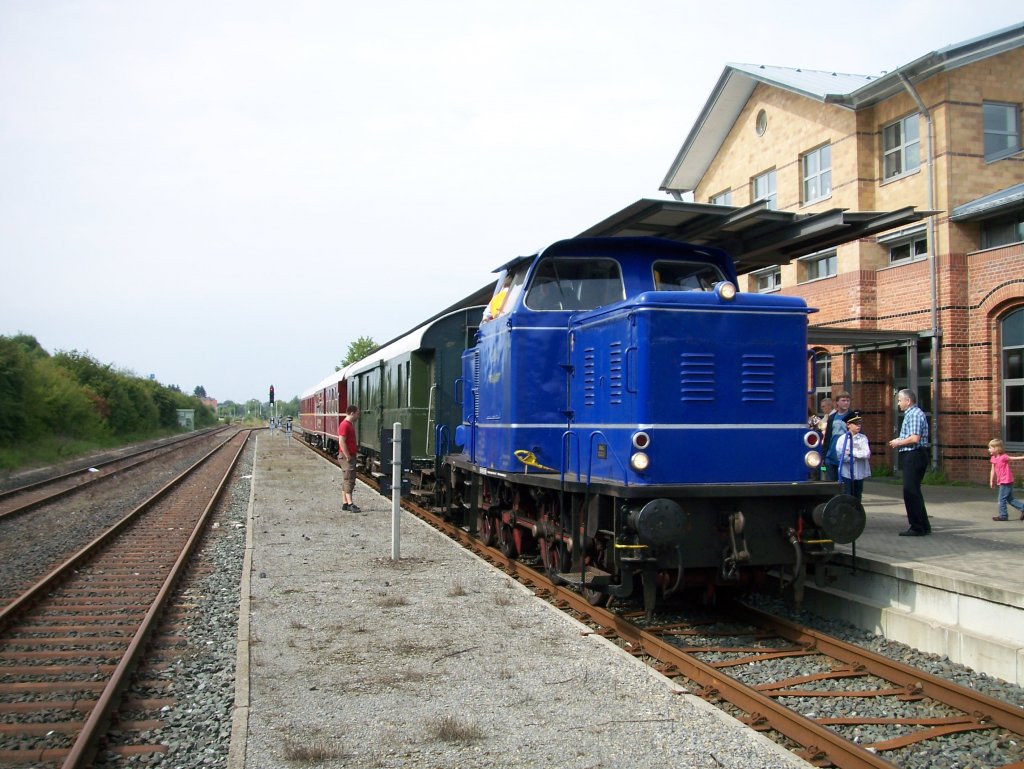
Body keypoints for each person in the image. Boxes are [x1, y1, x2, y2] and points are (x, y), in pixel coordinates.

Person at [888, 389, 930, 536]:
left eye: (900, 400)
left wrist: (898, 442)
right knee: (915, 491)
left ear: (908, 401)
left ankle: (917, 527)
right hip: (915, 454)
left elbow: (914, 438)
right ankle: (924, 525)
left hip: (914, 454)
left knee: (910, 491)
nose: (898, 403)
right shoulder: (914, 414)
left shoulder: (913, 415)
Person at [835, 411, 871, 501]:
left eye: (859, 423)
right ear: (848, 425)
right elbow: (840, 456)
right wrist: (856, 457)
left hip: (859, 473)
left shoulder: (863, 438)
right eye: (855, 424)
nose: (858, 426)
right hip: (846, 473)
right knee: (847, 496)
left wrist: (851, 453)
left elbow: (866, 453)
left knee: (857, 497)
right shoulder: (842, 439)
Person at [987, 438, 1024, 521]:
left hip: (1006, 480)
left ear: (996, 449)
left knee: (1001, 499)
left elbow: (1013, 458)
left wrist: (1022, 457)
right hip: (1002, 481)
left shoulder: (1004, 457)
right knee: (1010, 499)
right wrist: (991, 480)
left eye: (990, 448)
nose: (989, 449)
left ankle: (1003, 515)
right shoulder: (993, 458)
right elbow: (992, 470)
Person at [823, 392, 852, 482]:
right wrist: (824, 455)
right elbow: (827, 437)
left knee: (844, 485)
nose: (846, 403)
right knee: (830, 484)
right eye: (843, 400)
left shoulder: (852, 416)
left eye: (848, 400)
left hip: (845, 456)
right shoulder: (832, 417)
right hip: (831, 456)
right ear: (837, 403)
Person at [338, 405, 361, 512]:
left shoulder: (349, 425)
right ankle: (350, 504)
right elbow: (341, 441)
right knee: (349, 479)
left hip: (349, 455)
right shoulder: (345, 425)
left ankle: (345, 503)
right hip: (347, 456)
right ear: (352, 413)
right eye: (357, 413)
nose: (358, 416)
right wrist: (347, 455)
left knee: (346, 479)